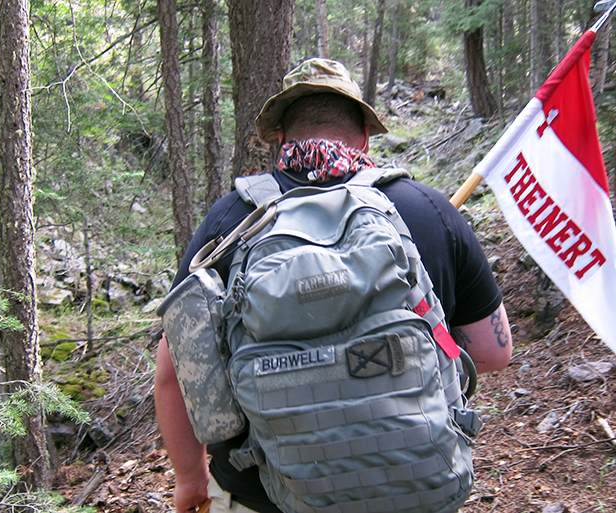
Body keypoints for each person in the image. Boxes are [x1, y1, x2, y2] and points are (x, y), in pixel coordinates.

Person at [155, 58, 513, 513]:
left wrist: (190, 479)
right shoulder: (426, 209)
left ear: (281, 137)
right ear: (365, 136)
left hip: (263, 497)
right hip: (411, 489)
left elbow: (175, 375)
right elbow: (493, 351)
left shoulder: (230, 222)